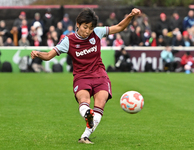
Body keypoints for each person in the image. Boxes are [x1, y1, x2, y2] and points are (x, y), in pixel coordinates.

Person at [31, 7, 141, 144]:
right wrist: (38, 54)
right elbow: (48, 55)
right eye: (85, 27)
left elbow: (119, 27)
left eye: (90, 28)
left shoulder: (97, 33)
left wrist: (130, 15)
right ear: (78, 24)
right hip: (81, 77)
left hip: (100, 76)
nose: (87, 31)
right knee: (85, 100)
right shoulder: (68, 41)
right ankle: (87, 116)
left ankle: (84, 136)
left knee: (100, 104)